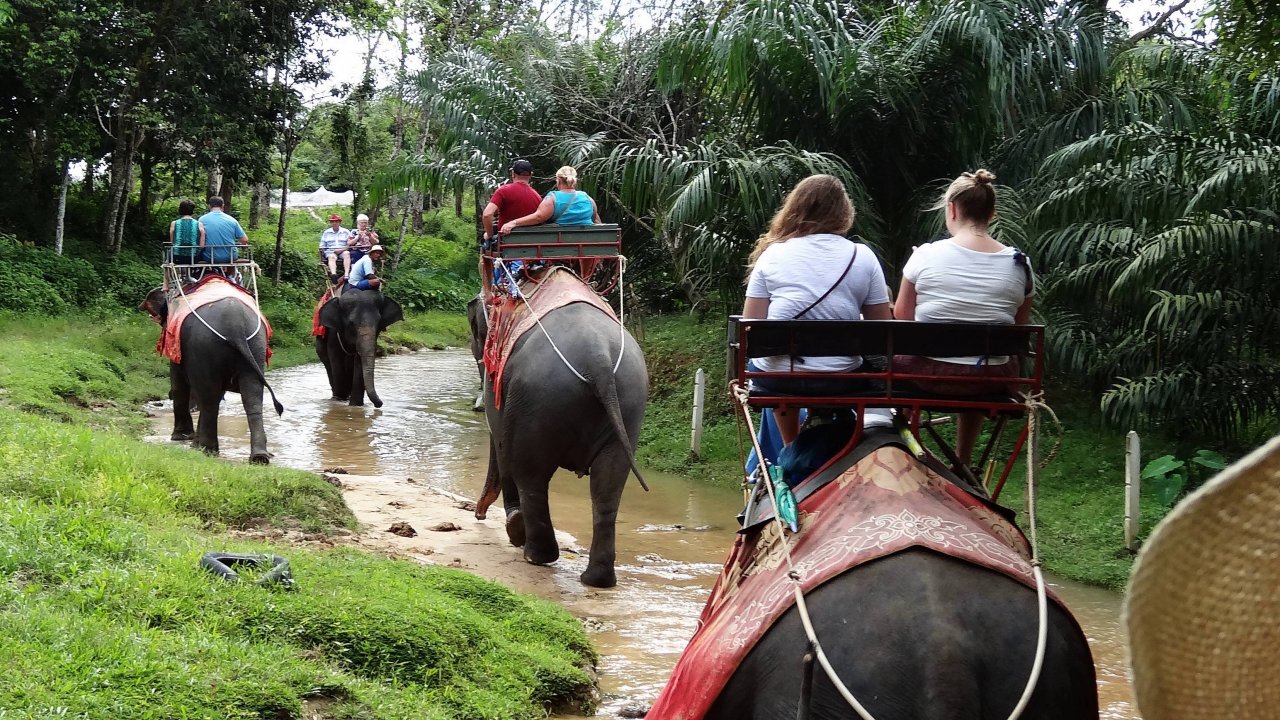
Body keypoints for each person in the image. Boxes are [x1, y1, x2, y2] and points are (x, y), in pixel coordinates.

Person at [893, 169, 1034, 469]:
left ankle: (905, 452)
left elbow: (902, 317)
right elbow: (1019, 329)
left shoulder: (926, 255)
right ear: (992, 213)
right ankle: (964, 461)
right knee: (978, 361)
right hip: (991, 379)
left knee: (904, 356)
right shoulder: (1019, 264)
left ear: (952, 209)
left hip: (927, 376)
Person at [742, 174, 893, 445]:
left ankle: (790, 449)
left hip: (781, 381)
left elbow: (752, 324)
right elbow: (882, 329)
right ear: (844, 212)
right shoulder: (863, 256)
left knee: (763, 361)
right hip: (840, 379)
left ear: (795, 209)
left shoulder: (772, 255)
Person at [500, 165, 600, 234]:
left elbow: (539, 217)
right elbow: (594, 217)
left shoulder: (553, 197)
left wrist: (513, 222)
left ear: (558, 181)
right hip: (586, 242)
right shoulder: (587, 198)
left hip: (560, 242)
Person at [482, 159, 542, 246]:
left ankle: (482, 260)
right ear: (531, 175)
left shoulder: (503, 191)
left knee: (484, 240)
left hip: (505, 243)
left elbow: (487, 214)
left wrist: (489, 234)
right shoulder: (537, 196)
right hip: (530, 244)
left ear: (513, 174)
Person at [198, 196, 246, 277]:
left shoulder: (202, 220)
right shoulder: (232, 220)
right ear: (223, 206)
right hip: (230, 257)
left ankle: (202, 276)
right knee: (231, 256)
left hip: (210, 256)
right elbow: (244, 240)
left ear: (209, 206)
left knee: (200, 253)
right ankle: (230, 277)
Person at [169, 199, 205, 268]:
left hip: (177, 257)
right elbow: (202, 246)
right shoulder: (199, 224)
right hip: (194, 257)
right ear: (193, 211)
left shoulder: (174, 223)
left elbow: (172, 242)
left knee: (168, 254)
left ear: (180, 210)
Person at [319, 213, 351, 281]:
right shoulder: (326, 233)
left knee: (347, 254)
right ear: (331, 223)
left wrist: (342, 249)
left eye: (336, 221)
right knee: (331, 257)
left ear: (339, 222)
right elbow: (322, 245)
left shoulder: (346, 232)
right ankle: (334, 274)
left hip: (343, 250)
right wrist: (323, 251)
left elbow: (350, 244)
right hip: (331, 251)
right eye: (333, 222)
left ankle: (346, 274)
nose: (334, 223)